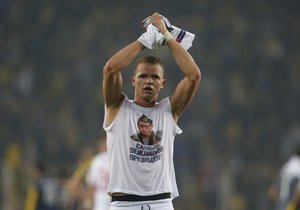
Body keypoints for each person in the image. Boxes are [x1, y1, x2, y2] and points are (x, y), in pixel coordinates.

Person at [102, 12, 201, 210]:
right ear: (133, 80)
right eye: (143, 76)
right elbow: (111, 69)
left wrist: (166, 35)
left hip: (161, 202)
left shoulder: (169, 111)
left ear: (162, 83)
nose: (148, 81)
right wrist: (144, 41)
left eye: (155, 77)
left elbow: (193, 76)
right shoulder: (117, 107)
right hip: (123, 204)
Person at [268, 145, 300, 210]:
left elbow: (272, 192)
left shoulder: (286, 167)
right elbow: (298, 194)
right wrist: (292, 206)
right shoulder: (298, 168)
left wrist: (279, 204)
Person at [85, 137, 110, 210]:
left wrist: (89, 204)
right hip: (115, 203)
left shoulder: (96, 160)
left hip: (99, 204)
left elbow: (91, 185)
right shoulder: (116, 158)